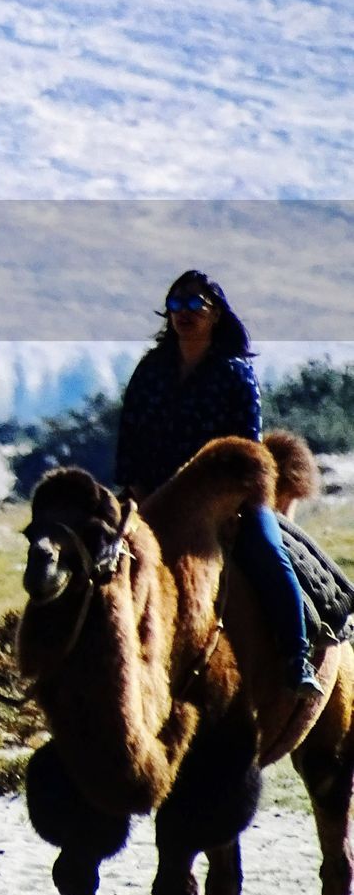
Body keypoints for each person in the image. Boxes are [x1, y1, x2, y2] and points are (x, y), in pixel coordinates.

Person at [115, 268, 323, 699]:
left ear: (215, 313)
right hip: (152, 498)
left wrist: (231, 504)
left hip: (223, 501)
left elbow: (245, 446)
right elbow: (129, 435)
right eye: (176, 304)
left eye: (195, 304)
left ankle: (296, 656)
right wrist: (136, 492)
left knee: (266, 552)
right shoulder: (150, 370)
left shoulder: (234, 373)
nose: (184, 313)